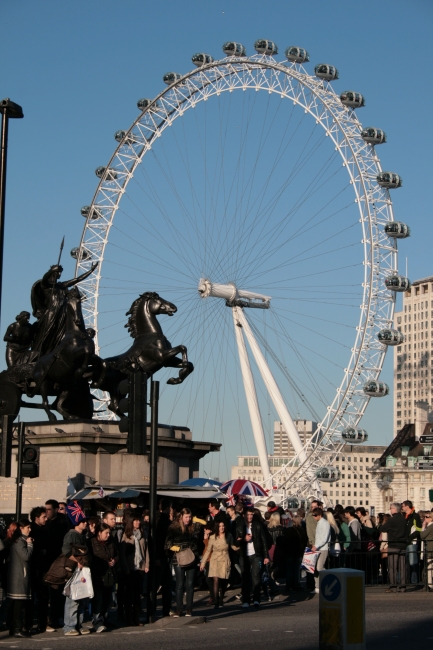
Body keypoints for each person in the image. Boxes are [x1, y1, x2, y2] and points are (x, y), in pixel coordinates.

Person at [165, 508, 198, 617]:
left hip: (190, 557)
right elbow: (168, 544)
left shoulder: (192, 527)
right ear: (181, 517)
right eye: (186, 517)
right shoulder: (173, 527)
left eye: (190, 517)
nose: (188, 519)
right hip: (178, 558)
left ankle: (189, 609)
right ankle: (179, 609)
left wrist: (193, 552)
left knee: (190, 584)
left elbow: (195, 542)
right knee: (179, 584)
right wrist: (179, 549)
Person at [62, 502, 90, 636]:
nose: (85, 523)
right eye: (83, 521)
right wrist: (77, 561)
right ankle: (69, 626)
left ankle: (79, 623)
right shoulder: (71, 535)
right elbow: (66, 550)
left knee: (81, 596)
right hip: (74, 570)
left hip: (81, 570)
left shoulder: (82, 536)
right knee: (73, 598)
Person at [200, 520, 238, 609]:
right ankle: (216, 600)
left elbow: (233, 546)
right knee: (216, 579)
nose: (222, 527)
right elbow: (208, 550)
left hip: (224, 558)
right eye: (220, 526)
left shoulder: (228, 536)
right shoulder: (212, 537)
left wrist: (240, 545)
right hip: (215, 559)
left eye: (223, 526)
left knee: (223, 581)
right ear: (217, 527)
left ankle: (221, 598)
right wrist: (203, 563)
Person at [119, 514, 149, 626]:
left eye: (138, 521)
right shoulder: (126, 535)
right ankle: (128, 619)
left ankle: (136, 619)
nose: (137, 523)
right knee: (129, 594)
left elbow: (146, 550)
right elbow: (122, 554)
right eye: (135, 521)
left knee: (137, 594)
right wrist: (125, 567)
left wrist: (147, 564)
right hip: (130, 567)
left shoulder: (142, 534)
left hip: (140, 566)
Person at [6, 519, 33, 638]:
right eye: (28, 527)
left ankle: (14, 627)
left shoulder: (17, 541)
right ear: (21, 529)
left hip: (17, 575)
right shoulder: (20, 541)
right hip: (19, 576)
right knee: (18, 603)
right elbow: (26, 556)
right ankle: (17, 628)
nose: (30, 530)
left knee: (17, 603)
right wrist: (30, 544)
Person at [90, 522, 118, 632]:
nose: (108, 535)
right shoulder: (91, 542)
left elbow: (116, 554)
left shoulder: (110, 542)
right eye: (106, 533)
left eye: (109, 533)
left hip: (109, 574)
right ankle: (97, 621)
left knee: (108, 599)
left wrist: (114, 560)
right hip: (98, 574)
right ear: (99, 533)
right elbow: (91, 558)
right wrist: (104, 562)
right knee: (98, 599)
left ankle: (105, 618)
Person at [238, 509, 269, 608]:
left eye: (251, 514)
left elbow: (264, 541)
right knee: (245, 578)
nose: (250, 517)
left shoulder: (257, 525)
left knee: (256, 577)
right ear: (244, 515)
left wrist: (266, 556)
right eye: (248, 515)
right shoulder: (239, 525)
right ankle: (246, 600)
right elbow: (235, 541)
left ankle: (256, 599)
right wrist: (244, 539)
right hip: (244, 555)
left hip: (256, 555)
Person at [30, 506, 50, 634]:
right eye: (43, 516)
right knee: (38, 597)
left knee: (42, 597)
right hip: (36, 568)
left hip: (41, 568)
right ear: (36, 518)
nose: (46, 519)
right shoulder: (34, 531)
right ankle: (38, 623)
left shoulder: (44, 530)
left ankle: (41, 623)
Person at [379, 503, 407, 593]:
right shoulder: (403, 519)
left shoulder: (392, 520)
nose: (390, 510)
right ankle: (403, 586)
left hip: (393, 545)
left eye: (391, 508)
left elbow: (382, 528)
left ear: (395, 509)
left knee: (392, 567)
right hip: (402, 545)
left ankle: (393, 586)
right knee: (402, 567)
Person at [154, 499, 172, 617]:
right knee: (166, 585)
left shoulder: (155, 519)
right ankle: (166, 610)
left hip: (158, 555)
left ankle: (153, 610)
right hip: (164, 555)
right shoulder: (166, 522)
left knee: (155, 585)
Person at [401, 500, 422, 584]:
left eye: (403, 506)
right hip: (405, 542)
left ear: (407, 506)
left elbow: (418, 529)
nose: (402, 507)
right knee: (406, 563)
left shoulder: (415, 516)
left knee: (413, 563)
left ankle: (414, 581)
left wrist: (409, 538)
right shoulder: (405, 516)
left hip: (412, 542)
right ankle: (408, 580)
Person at [311, 507, 331, 593]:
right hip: (317, 548)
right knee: (315, 568)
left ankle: (329, 579)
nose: (313, 517)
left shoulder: (325, 523)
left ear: (320, 515)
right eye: (313, 515)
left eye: (315, 515)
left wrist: (316, 546)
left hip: (323, 548)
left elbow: (325, 538)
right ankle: (317, 587)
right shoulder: (319, 523)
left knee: (320, 567)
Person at [305, 500, 322, 591]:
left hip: (320, 544)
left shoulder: (323, 516)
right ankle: (311, 585)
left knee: (317, 566)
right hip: (313, 543)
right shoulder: (310, 516)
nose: (313, 508)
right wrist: (312, 543)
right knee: (311, 565)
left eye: (314, 507)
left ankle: (316, 584)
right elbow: (309, 531)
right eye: (312, 507)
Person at [420, 511, 433, 591]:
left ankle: (430, 585)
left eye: (427, 517)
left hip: (430, 548)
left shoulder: (431, 526)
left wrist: (423, 526)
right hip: (429, 548)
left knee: (429, 567)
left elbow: (422, 535)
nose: (425, 518)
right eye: (425, 516)